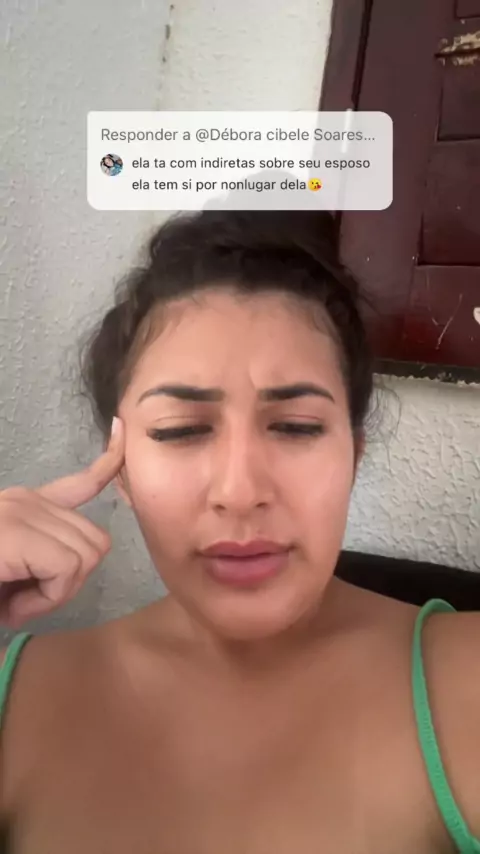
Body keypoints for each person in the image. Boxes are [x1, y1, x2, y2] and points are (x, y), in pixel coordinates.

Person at [0, 210, 478, 854]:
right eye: (180, 430)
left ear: (353, 455)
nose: (239, 490)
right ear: (120, 469)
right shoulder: (19, 698)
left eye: (297, 427)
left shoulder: (465, 679)